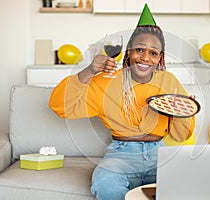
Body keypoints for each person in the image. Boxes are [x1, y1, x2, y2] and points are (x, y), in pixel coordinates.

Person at [49, 4, 195, 200]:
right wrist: (90, 70)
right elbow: (61, 107)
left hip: (159, 153)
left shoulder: (168, 81)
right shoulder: (106, 82)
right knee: (105, 181)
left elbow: (181, 135)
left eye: (153, 53)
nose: (145, 57)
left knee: (185, 183)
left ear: (159, 58)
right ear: (128, 53)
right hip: (121, 155)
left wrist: (184, 113)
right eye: (139, 50)